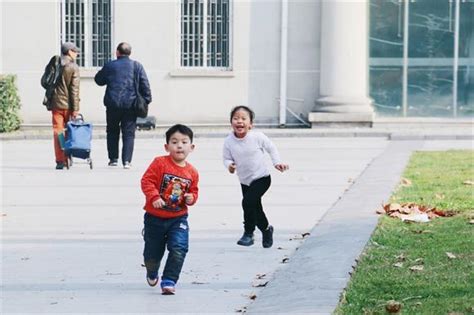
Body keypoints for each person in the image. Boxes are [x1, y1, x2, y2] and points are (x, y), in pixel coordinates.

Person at [140, 124, 199, 295]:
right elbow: (146, 181)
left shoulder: (192, 172)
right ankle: (152, 270)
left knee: (179, 247)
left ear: (191, 147)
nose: (179, 146)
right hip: (154, 217)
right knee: (152, 253)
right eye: (174, 142)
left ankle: (169, 280)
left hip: (178, 218)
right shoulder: (159, 163)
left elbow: (194, 191)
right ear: (167, 146)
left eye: (184, 142)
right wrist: (154, 197)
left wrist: (191, 198)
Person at [223, 106, 289, 248]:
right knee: (255, 207)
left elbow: (271, 148)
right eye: (236, 118)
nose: (239, 121)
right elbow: (226, 158)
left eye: (243, 118)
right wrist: (230, 166)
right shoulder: (229, 141)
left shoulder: (257, 137)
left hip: (262, 178)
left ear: (250, 124)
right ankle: (266, 230)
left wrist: (277, 163)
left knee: (247, 202)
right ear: (231, 123)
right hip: (245, 181)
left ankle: (248, 233)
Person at [94, 42, 151, 169]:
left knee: (112, 131)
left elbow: (99, 80)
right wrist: (146, 100)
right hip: (131, 105)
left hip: (113, 104)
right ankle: (127, 161)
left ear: (117, 52)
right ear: (129, 53)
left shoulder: (110, 65)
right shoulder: (137, 66)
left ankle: (113, 159)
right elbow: (144, 84)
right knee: (129, 133)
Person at [51, 42, 80, 170]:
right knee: (69, 132)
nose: (77, 53)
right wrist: (76, 109)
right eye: (75, 51)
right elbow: (74, 90)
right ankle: (67, 157)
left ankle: (60, 160)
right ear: (69, 52)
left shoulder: (55, 63)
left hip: (56, 104)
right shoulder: (73, 67)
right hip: (68, 105)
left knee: (58, 132)